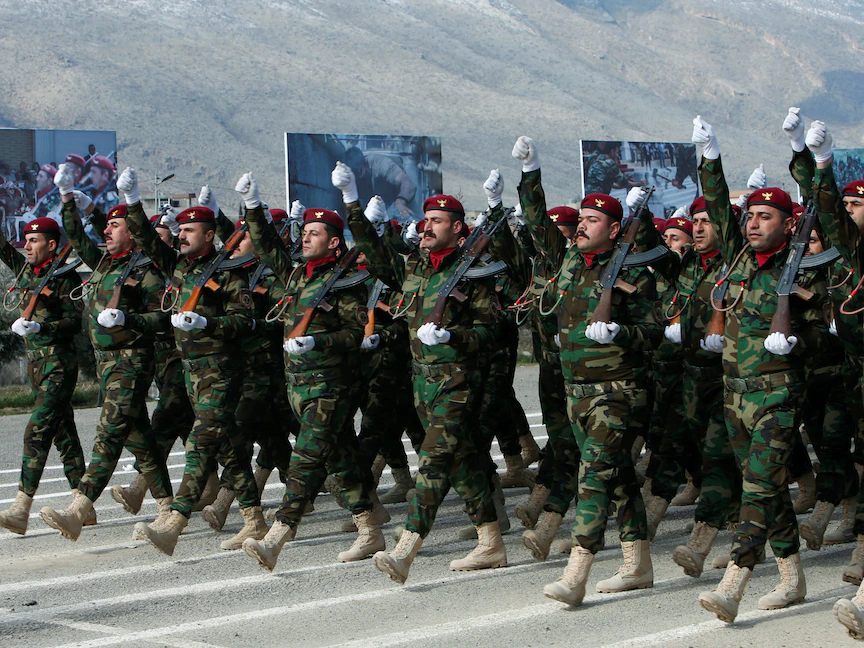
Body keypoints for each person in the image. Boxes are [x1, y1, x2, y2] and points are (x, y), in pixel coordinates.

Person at [337, 160, 504, 584]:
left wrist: (453, 337)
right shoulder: (415, 267)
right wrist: (351, 201)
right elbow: (373, 250)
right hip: (422, 384)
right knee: (461, 461)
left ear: (458, 228)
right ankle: (491, 543)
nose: (427, 227)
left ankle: (405, 548)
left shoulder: (475, 272)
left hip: (458, 384)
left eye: (437, 221)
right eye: (426, 219)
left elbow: (493, 331)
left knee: (433, 462)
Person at [691, 116, 830, 623]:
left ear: (789, 224)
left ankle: (734, 581)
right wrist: (711, 158)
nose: (752, 223)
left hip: (777, 395)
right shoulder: (738, 259)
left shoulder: (805, 269)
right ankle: (792, 579)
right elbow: (716, 206)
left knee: (756, 487)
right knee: (768, 491)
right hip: (734, 395)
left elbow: (823, 337)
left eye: (765, 216)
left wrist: (796, 339)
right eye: (750, 215)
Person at [513, 136, 662, 607]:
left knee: (593, 477)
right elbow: (537, 223)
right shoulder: (569, 261)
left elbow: (655, 332)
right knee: (617, 479)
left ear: (615, 230)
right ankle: (638, 565)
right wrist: (531, 173)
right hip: (576, 390)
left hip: (617, 392)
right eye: (580, 218)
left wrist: (620, 331)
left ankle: (576, 573)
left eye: (592, 220)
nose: (580, 225)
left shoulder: (634, 272)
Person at [235, 172, 386, 570]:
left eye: (315, 233)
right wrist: (253, 207)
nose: (305, 238)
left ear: (334, 242)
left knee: (304, 461)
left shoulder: (347, 283)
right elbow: (267, 248)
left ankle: (276, 537)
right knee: (340, 458)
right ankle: (370, 530)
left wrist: (318, 341)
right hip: (298, 388)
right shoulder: (296, 275)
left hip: (329, 388)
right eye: (304, 232)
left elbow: (355, 334)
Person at [120, 167, 263, 556]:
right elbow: (148, 241)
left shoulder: (230, 273)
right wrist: (132, 201)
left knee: (200, 444)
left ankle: (175, 523)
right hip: (192, 374)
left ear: (210, 235)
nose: (180, 236)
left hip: (221, 372)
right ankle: (254, 519)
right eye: (179, 230)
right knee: (229, 448)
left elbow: (244, 321)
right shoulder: (180, 266)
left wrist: (207, 323)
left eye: (189, 231)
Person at [39, 165, 173, 542]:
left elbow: (163, 318)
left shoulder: (147, 271)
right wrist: (67, 199)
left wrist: (129, 318)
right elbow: (76, 235)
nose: (107, 231)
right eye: (107, 226)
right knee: (139, 438)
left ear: (132, 232)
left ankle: (78, 510)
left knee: (110, 431)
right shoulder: (104, 264)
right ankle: (168, 506)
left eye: (115, 226)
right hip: (106, 364)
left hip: (132, 361)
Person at [668, 196, 742, 577]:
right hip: (693, 378)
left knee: (717, 457)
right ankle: (743, 535)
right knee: (716, 458)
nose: (697, 228)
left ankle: (701, 541)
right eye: (694, 221)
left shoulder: (736, 263)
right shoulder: (690, 264)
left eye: (706, 222)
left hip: (727, 378)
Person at [0, 216, 89, 535]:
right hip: (37, 366)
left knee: (36, 429)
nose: (26, 246)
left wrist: (41, 327)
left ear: (52, 245)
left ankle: (21, 508)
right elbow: (4, 248)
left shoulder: (66, 277)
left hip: (59, 364)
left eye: (34, 240)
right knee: (64, 433)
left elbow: (74, 323)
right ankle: (84, 502)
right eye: (25, 240)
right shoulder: (26, 270)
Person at [344, 146, 417, 219]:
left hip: (399, 198)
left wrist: (400, 202)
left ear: (364, 162)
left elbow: (408, 183)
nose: (358, 177)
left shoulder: (381, 164)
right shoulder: (348, 177)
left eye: (359, 171)